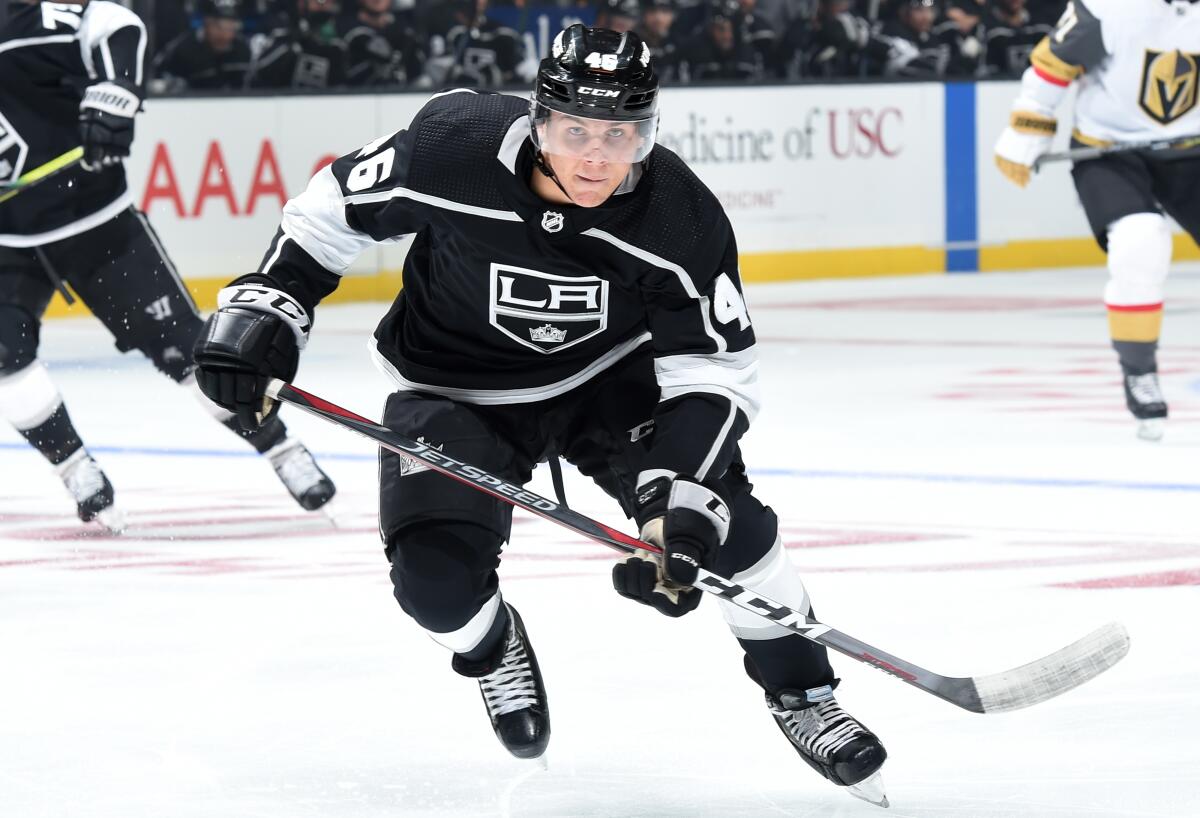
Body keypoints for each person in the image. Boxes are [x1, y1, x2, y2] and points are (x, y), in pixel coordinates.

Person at [192, 23, 889, 805]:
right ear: (539, 119)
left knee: (725, 528)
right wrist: (270, 312)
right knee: (433, 585)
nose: (596, 157)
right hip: (453, 387)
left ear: (648, 131)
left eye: (621, 134)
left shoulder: (678, 216)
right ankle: (492, 650)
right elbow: (331, 208)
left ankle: (800, 691)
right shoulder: (453, 146)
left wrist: (676, 502)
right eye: (576, 131)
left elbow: (711, 369)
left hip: (609, 383)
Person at [0, 0, 336, 531]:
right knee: (6, 360)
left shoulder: (39, 17)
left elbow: (116, 22)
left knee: (185, 350)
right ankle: (76, 471)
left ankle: (281, 449)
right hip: (8, 245)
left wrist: (116, 89)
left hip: (97, 224)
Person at [994, 0, 1200, 441]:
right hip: (1111, 151)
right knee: (1139, 244)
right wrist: (1028, 126)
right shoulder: (1111, 5)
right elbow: (1055, 63)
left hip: (1191, 150)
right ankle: (1140, 371)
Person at [152, 0, 253, 92]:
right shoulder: (183, 49)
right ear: (207, 23)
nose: (226, 35)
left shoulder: (243, 50)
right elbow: (157, 79)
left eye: (231, 28)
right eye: (220, 27)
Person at [247, 0, 349, 89]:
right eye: (317, 1)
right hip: (280, 101)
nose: (322, 5)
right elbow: (259, 72)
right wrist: (292, 46)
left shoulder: (338, 42)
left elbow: (343, 86)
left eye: (327, 2)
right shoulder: (280, 31)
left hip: (323, 102)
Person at [335, 0, 426, 87]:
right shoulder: (344, 28)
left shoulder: (405, 29)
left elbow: (417, 72)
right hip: (354, 97)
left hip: (402, 97)